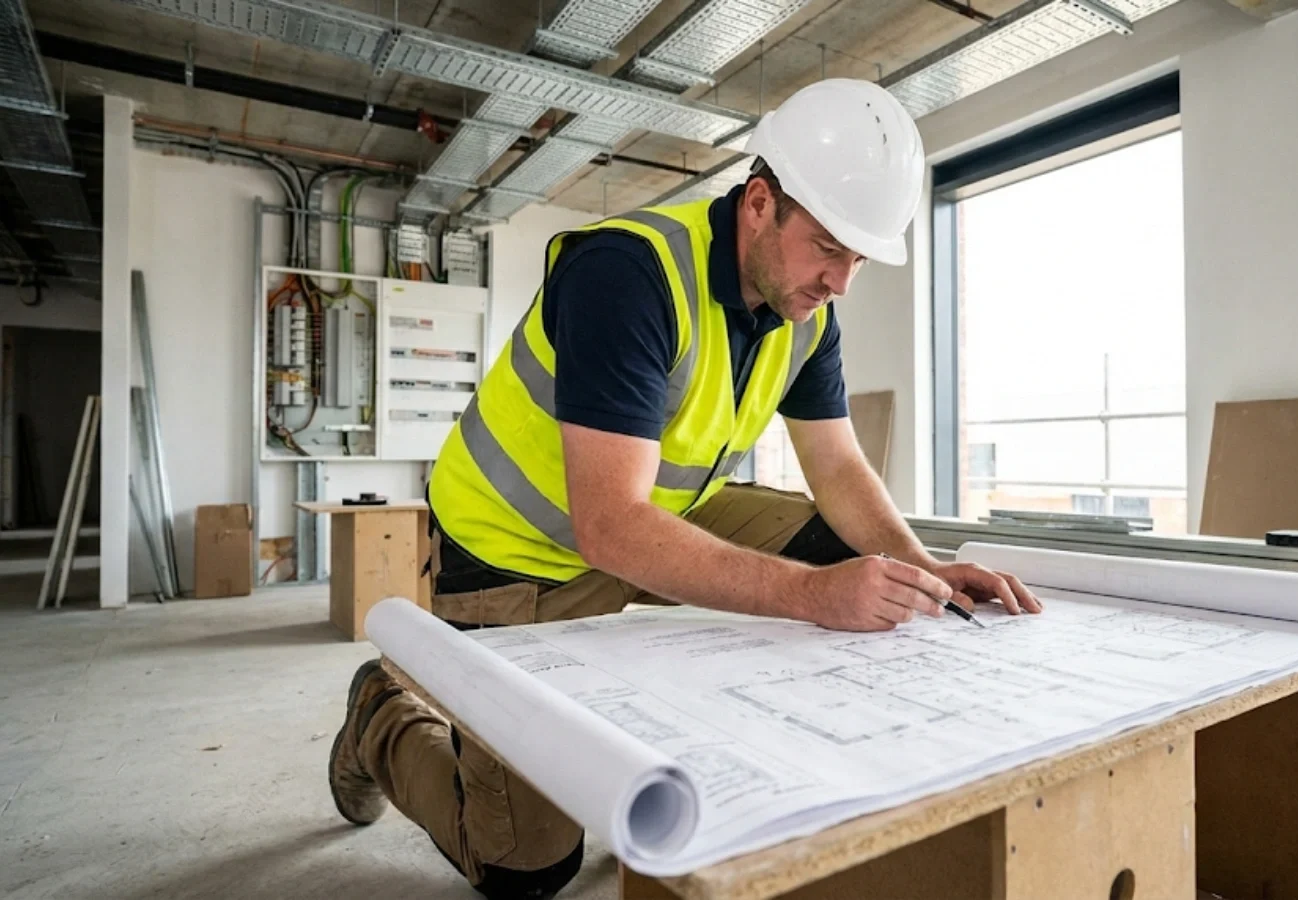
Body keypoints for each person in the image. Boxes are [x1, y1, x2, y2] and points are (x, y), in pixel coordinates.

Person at [327, 78, 1042, 898]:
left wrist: (924, 566)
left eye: (859, 259)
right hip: (516, 555)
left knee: (857, 556)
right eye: (830, 249)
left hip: (654, 517)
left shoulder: (804, 316)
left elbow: (839, 466)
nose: (841, 281)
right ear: (760, 203)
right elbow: (610, 528)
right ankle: (380, 712)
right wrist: (813, 596)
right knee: (527, 868)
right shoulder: (626, 276)